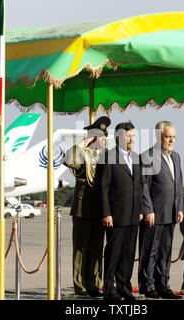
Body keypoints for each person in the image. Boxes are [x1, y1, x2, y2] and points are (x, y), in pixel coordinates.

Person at [63, 116, 111, 297]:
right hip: (83, 208)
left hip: (100, 208)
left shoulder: (108, 157)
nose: (104, 140)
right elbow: (67, 160)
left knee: (97, 249)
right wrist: (82, 143)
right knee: (81, 249)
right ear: (92, 138)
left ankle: (93, 284)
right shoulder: (82, 153)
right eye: (100, 137)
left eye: (105, 137)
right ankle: (80, 285)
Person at [138, 121, 184, 299]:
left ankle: (163, 285)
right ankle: (149, 286)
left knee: (165, 251)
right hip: (154, 214)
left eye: (173, 137)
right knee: (150, 251)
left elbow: (178, 184)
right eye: (167, 136)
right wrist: (148, 210)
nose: (171, 140)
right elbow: (143, 187)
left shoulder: (176, 157)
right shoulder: (148, 156)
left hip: (171, 213)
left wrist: (179, 208)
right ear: (158, 136)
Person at [100, 121, 142, 301]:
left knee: (128, 253)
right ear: (118, 138)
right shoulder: (108, 158)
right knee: (113, 253)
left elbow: (139, 186)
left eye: (133, 135)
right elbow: (103, 188)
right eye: (128, 136)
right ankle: (109, 289)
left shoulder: (137, 158)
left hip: (133, 215)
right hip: (116, 215)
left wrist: (140, 210)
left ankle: (124, 287)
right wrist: (106, 213)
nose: (131, 139)